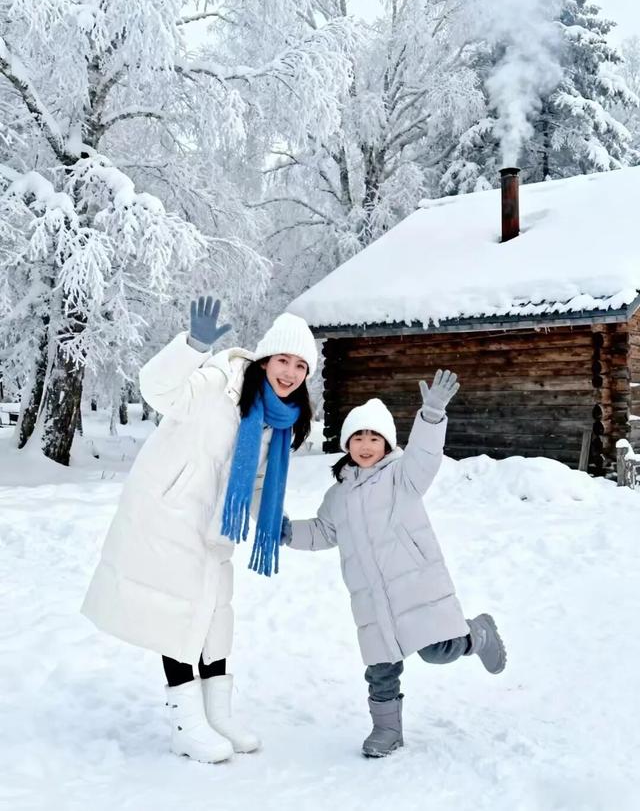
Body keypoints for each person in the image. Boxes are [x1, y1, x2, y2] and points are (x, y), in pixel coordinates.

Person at [82, 296, 317, 764]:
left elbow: (251, 483)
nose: (290, 373)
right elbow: (159, 391)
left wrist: (271, 520)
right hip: (169, 510)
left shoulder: (281, 421)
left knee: (213, 614)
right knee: (178, 613)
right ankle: (186, 723)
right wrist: (191, 348)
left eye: (301, 366)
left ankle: (217, 713)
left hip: (216, 523)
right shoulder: (218, 380)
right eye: (283, 361)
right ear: (266, 358)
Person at [282, 371, 507, 757]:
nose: (366, 445)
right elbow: (323, 531)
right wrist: (288, 533)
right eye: (358, 437)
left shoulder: (403, 477)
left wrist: (432, 415)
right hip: (370, 597)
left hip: (415, 587)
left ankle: (478, 634)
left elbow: (424, 455)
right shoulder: (338, 495)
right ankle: (387, 730)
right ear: (346, 444)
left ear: (387, 444)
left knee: (438, 651)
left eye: (374, 438)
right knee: (380, 668)